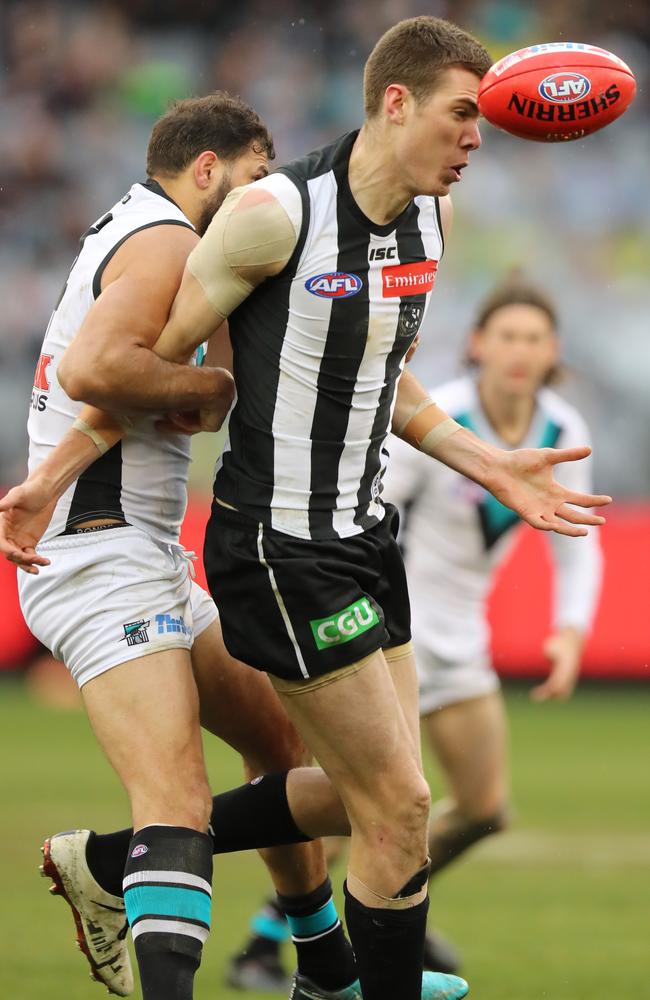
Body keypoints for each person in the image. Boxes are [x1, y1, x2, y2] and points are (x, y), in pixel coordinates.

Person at [2, 16, 610, 1000]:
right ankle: (345, 985)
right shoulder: (275, 215)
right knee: (400, 807)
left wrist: (484, 461)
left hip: (368, 537)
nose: (475, 138)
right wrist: (58, 470)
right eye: (463, 114)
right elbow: (162, 361)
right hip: (280, 545)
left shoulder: (430, 221)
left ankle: (116, 863)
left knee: (351, 786)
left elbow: (384, 374)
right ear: (394, 102)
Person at [0, 92, 368, 1000]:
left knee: (281, 750)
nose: (261, 194)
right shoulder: (166, 236)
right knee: (176, 800)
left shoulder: (143, 228)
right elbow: (94, 368)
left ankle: (326, 976)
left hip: (144, 550)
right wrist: (210, 388)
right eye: (253, 172)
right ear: (208, 168)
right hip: (98, 553)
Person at [382, 276, 604, 968]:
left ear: (553, 351)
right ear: (478, 344)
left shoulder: (562, 430)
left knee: (484, 809)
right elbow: (376, 517)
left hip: (462, 642)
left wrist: (569, 634)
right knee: (373, 799)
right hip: (395, 637)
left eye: (534, 338)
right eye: (506, 335)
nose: (519, 350)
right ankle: (307, 935)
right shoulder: (440, 418)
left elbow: (579, 547)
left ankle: (390, 910)